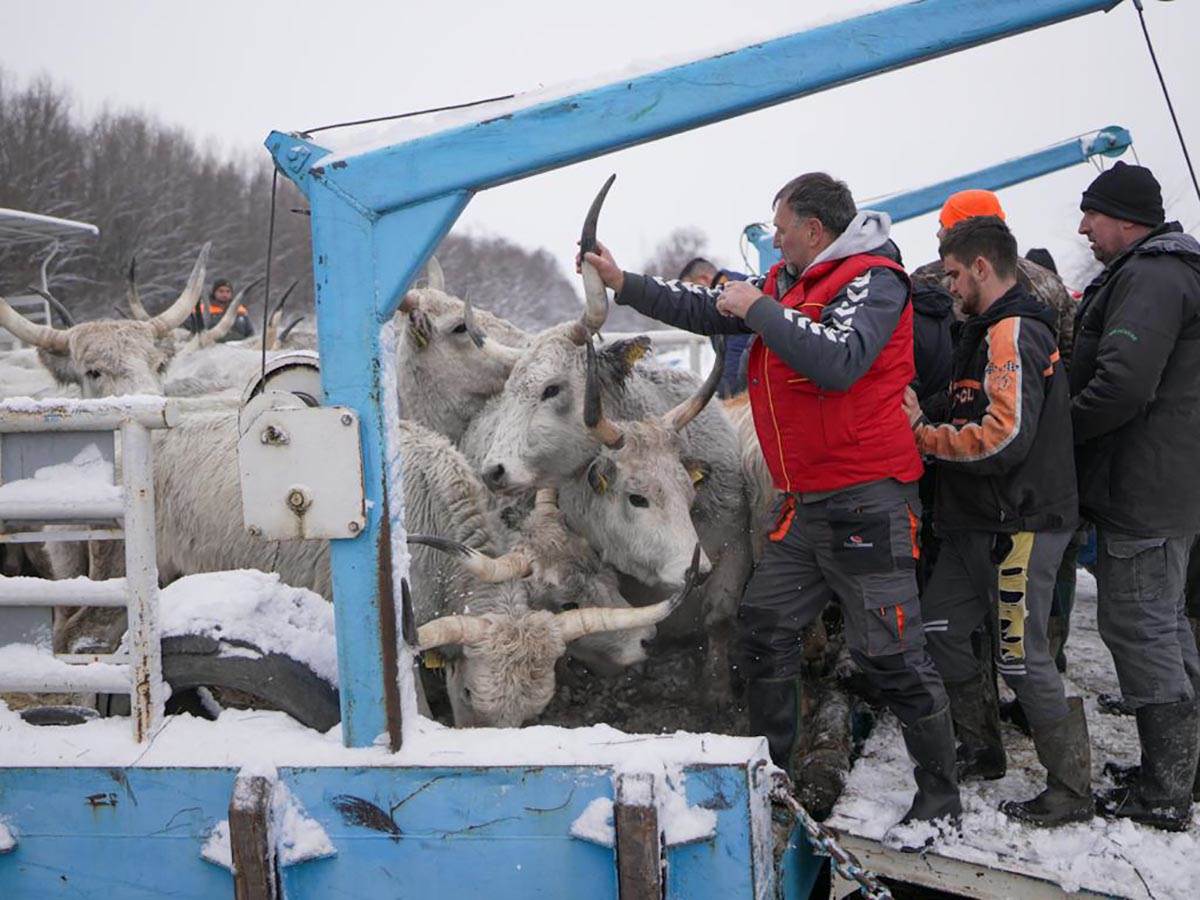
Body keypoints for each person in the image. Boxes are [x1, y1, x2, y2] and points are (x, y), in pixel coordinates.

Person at [581, 172, 960, 847]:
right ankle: (777, 766)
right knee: (762, 623)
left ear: (815, 228)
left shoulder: (873, 281)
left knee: (891, 653)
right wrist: (623, 282)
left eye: (781, 227)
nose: (774, 237)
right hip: (806, 503)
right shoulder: (789, 282)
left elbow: (840, 361)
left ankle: (940, 793)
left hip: (867, 499)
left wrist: (759, 307)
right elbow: (707, 309)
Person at [903, 216, 1090, 827]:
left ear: (982, 267)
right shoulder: (979, 328)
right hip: (973, 522)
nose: (949, 286)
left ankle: (1070, 788)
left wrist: (925, 437)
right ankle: (982, 749)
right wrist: (922, 410)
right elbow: (966, 405)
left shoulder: (1011, 329)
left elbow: (1005, 435)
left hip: (1021, 521)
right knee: (940, 629)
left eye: (954, 274)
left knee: (1021, 657)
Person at [1070, 160, 1200, 831]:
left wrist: (1060, 431)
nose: (1085, 228)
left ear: (1127, 220)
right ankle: (1180, 772)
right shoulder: (1170, 270)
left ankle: (1165, 792)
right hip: (1172, 480)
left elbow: (1122, 386)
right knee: (1167, 620)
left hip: (1144, 483)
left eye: (1093, 214)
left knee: (1139, 625)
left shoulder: (1149, 277)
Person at [677, 257, 751, 397]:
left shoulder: (733, 297)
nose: (690, 300)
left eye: (690, 291)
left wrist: (722, 399)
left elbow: (734, 357)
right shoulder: (718, 303)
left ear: (703, 280)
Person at [188, 278, 253, 339]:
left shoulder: (240, 311)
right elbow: (191, 331)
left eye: (228, 292)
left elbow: (250, 333)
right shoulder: (202, 309)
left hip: (239, 346)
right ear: (214, 293)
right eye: (221, 291)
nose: (225, 295)